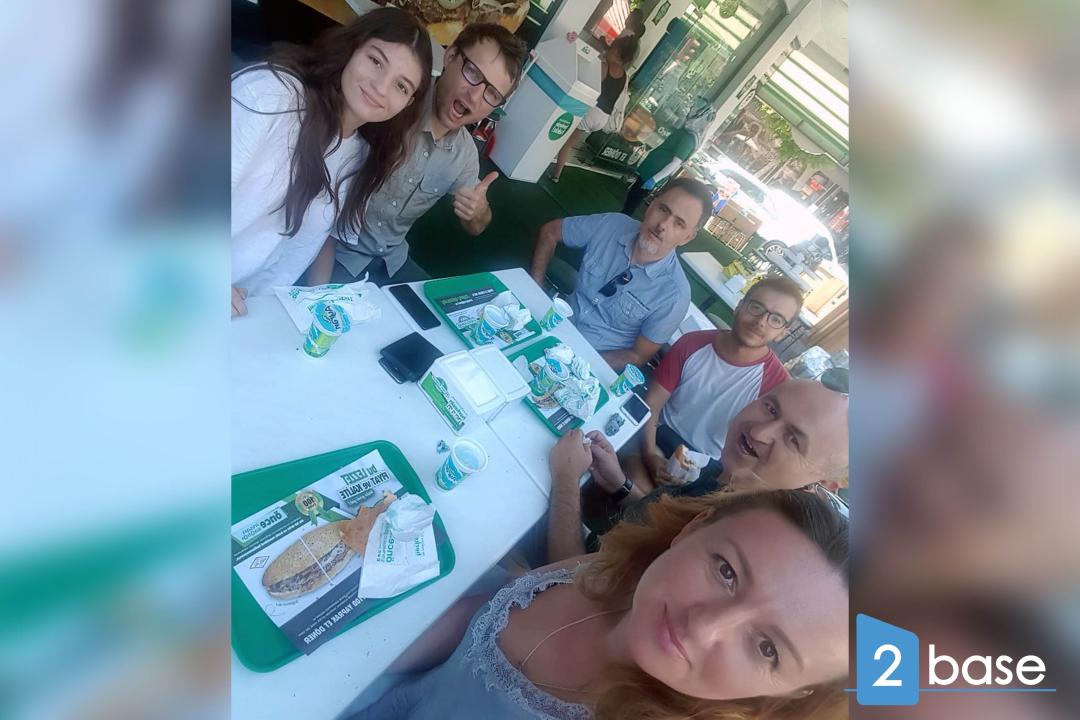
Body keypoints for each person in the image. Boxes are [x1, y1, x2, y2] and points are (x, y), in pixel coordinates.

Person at [353, 488, 849, 719]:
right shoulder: (611, 571)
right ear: (692, 530)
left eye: (767, 649)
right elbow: (480, 612)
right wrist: (347, 661)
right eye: (726, 572)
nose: (704, 628)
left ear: (795, 693)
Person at [231, 7, 432, 315]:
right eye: (376, 61)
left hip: (248, 311)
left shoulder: (360, 158)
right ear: (353, 46)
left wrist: (316, 304)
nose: (381, 88)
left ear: (408, 103)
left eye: (401, 86)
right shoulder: (271, 96)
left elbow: (314, 242)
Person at [314, 23, 529, 287]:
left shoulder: (464, 155)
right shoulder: (391, 102)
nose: (475, 96)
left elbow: (476, 226)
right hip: (337, 253)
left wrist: (478, 211)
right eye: (473, 72)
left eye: (492, 94)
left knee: (447, 306)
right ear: (450, 56)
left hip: (392, 262)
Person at [547, 378, 849, 562]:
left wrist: (566, 479)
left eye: (793, 440)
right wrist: (619, 484)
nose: (760, 432)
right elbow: (660, 521)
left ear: (824, 482)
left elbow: (567, 592)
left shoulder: (730, 541)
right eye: (770, 408)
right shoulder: (729, 476)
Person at [634, 277, 804, 492]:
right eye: (756, 307)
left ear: (783, 332)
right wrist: (650, 454)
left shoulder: (778, 386)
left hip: (709, 469)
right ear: (739, 306)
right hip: (656, 435)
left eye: (776, 319)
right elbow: (652, 404)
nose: (761, 322)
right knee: (633, 481)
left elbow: (759, 454)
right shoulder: (692, 343)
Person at [529, 178, 714, 369]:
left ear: (687, 238)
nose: (663, 225)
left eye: (679, 223)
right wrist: (535, 290)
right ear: (651, 205)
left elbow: (638, 355)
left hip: (587, 362)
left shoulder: (675, 295)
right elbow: (550, 232)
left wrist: (578, 362)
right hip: (551, 322)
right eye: (663, 209)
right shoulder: (612, 225)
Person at [549, 34, 639, 184]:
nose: (608, 50)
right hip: (603, 118)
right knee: (569, 140)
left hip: (591, 111)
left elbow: (585, 78)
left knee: (565, 140)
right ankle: (555, 171)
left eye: (611, 47)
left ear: (616, 50)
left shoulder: (604, 66)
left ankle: (556, 174)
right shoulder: (624, 76)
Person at [622, 98, 713, 217]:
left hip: (653, 174)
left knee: (632, 203)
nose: (692, 109)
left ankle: (621, 220)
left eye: (696, 108)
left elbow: (676, 162)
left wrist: (654, 179)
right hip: (649, 171)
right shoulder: (685, 131)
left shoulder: (689, 138)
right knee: (631, 198)